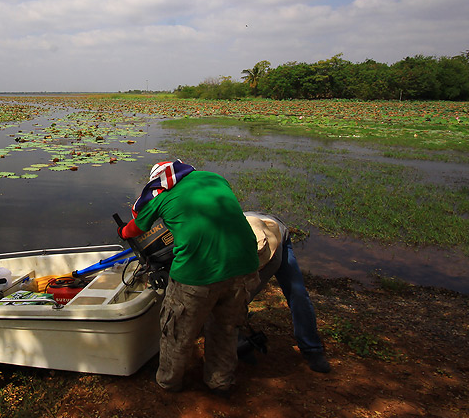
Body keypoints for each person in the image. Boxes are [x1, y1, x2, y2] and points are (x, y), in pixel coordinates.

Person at [118, 160, 259, 395]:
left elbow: (136, 228)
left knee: (176, 330)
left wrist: (122, 231)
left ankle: (169, 382)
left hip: (196, 274)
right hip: (244, 265)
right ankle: (220, 381)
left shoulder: (161, 197)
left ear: (159, 183)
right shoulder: (214, 178)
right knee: (225, 328)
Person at [244, 212, 331, 373]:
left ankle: (312, 348)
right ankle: (236, 335)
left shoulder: (270, 256)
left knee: (296, 293)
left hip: (275, 238)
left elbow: (246, 292)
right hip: (253, 228)